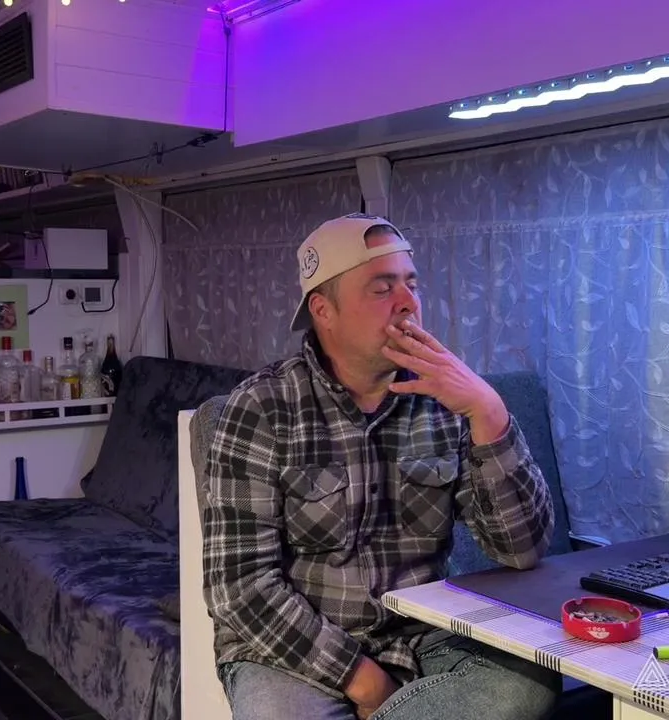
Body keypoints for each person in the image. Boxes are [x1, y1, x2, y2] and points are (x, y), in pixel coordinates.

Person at [201, 213, 561, 720]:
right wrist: (366, 683)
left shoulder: (446, 401)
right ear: (324, 310)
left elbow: (521, 551)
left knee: (530, 682)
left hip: (424, 633)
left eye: (412, 284)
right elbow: (241, 587)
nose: (408, 302)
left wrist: (488, 411)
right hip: (292, 647)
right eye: (382, 288)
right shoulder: (261, 408)